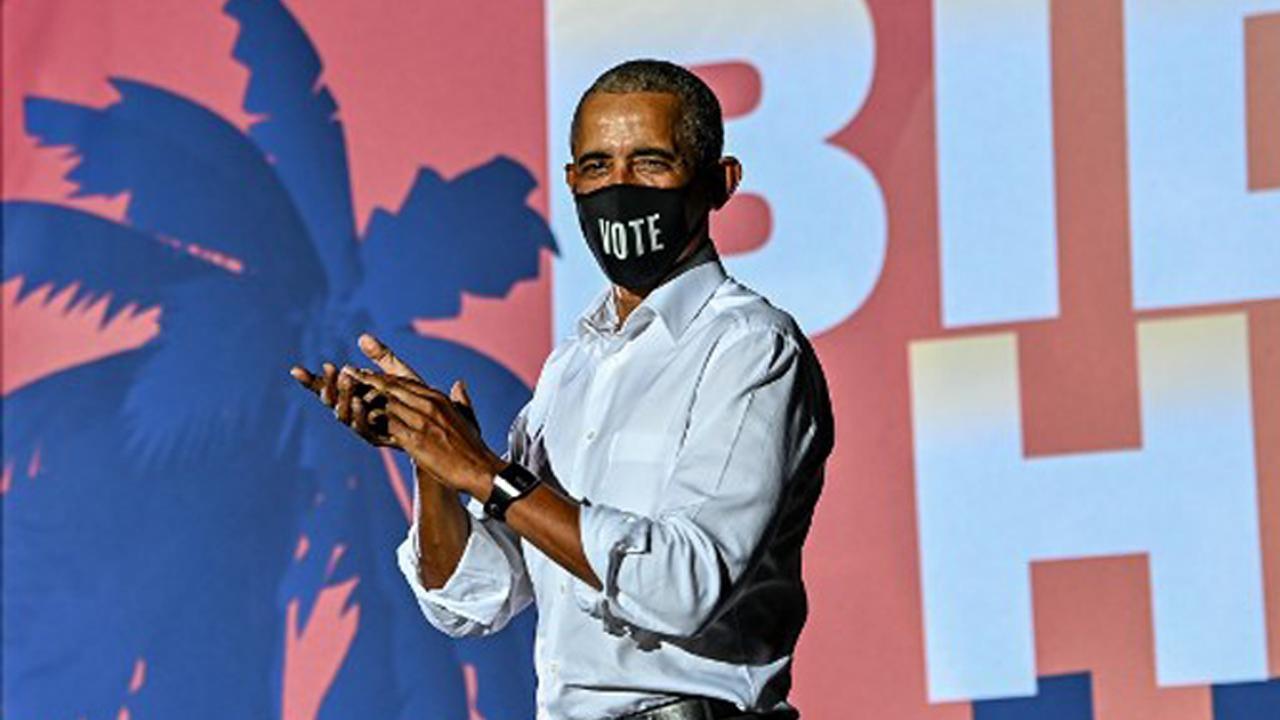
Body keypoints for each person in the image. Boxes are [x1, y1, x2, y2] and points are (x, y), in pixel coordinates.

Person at [291, 58, 834, 720]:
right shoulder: (572, 367)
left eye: (650, 163)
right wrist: (433, 461)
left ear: (720, 183)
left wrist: (485, 471)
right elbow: (475, 599)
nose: (620, 188)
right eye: (598, 166)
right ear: (573, 182)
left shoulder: (751, 348)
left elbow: (684, 585)